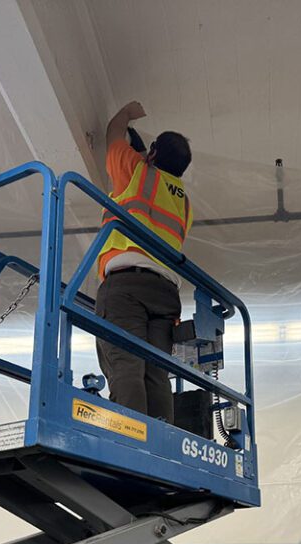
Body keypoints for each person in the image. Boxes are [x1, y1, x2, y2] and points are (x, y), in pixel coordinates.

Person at [95, 101, 193, 424]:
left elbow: (112, 135)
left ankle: (130, 441)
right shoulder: (185, 204)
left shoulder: (135, 171)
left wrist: (126, 113)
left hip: (126, 286)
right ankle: (160, 442)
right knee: (156, 373)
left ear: (152, 153)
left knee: (126, 363)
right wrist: (143, 154)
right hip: (165, 294)